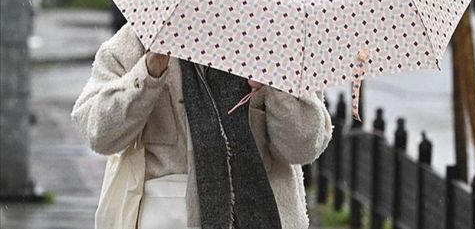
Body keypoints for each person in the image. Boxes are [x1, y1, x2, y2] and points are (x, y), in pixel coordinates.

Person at [71, 24, 333, 229]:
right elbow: (98, 132)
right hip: (169, 218)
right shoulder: (137, 41)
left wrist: (278, 84)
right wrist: (149, 71)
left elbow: (303, 149)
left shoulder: (277, 40)